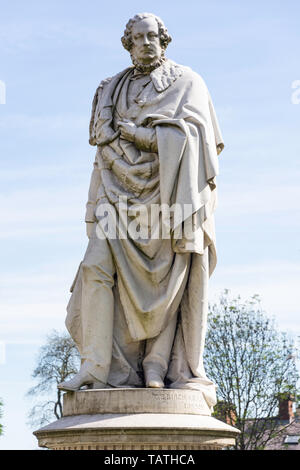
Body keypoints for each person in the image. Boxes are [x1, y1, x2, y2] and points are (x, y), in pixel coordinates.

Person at [58, 12, 224, 411]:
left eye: (153, 36)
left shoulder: (187, 82)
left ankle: (157, 363)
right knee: (94, 267)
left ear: (164, 41)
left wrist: (139, 135)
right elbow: (100, 153)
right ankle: (96, 366)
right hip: (115, 200)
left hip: (170, 199)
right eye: (138, 37)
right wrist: (91, 205)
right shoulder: (110, 89)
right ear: (128, 43)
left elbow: (199, 144)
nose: (147, 42)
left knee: (168, 282)